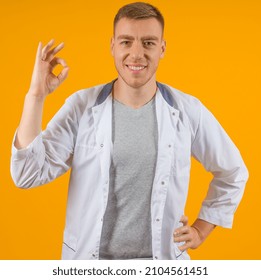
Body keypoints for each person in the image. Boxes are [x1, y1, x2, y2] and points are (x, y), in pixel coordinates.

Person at [10, 2, 248, 260]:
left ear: (162, 48)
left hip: (161, 266)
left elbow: (233, 172)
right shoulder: (82, 107)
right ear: (112, 46)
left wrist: (202, 229)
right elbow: (26, 174)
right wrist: (36, 96)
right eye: (126, 42)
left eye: (148, 43)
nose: (136, 54)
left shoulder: (188, 110)